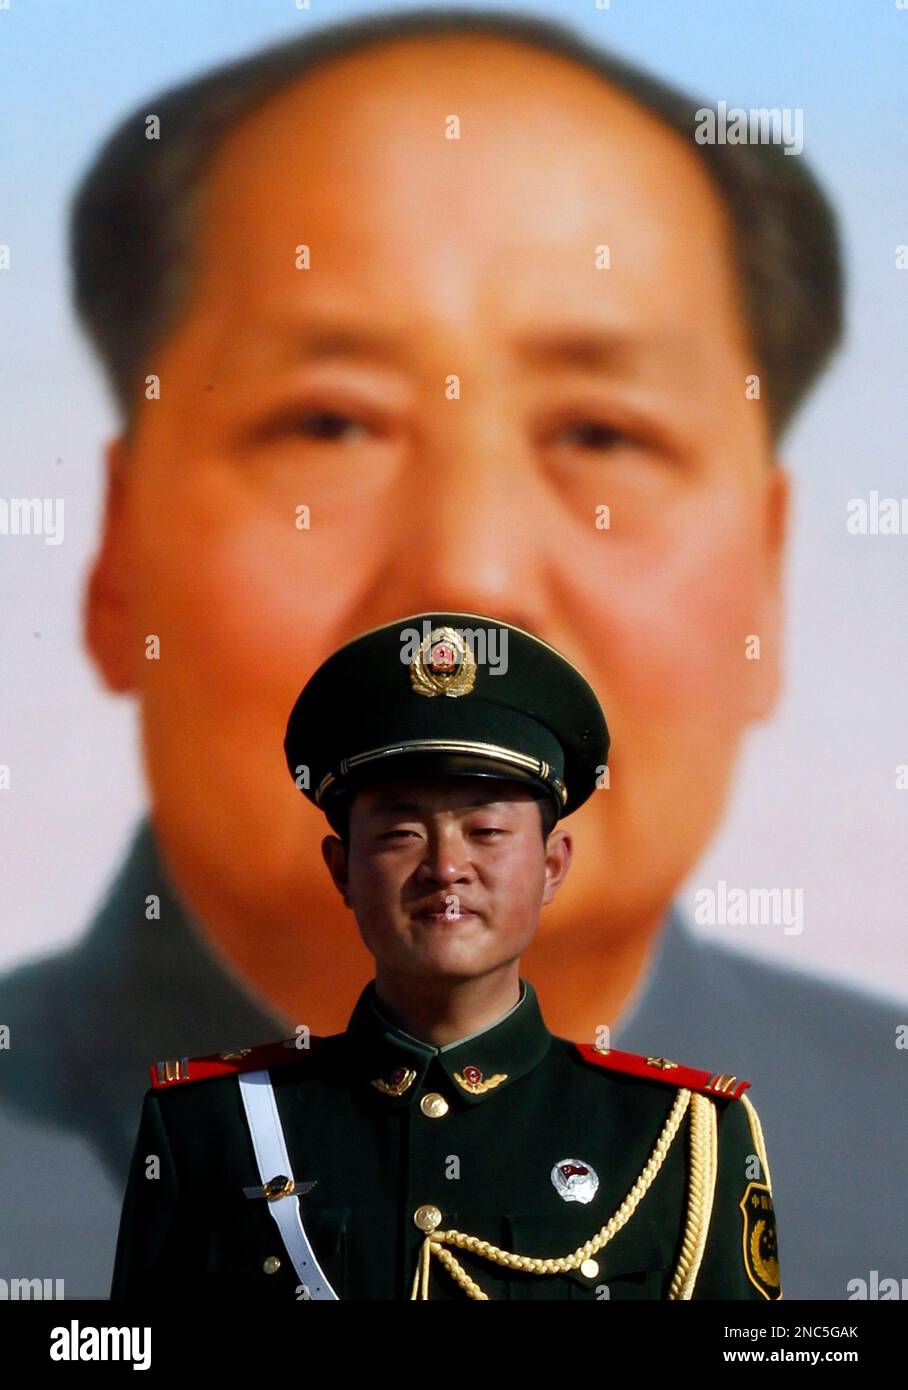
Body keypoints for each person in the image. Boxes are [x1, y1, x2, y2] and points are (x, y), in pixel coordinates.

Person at [1, 11, 902, 1300]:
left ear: (766, 570)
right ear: (114, 549)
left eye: (600, 433)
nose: (468, 573)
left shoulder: (850, 1152)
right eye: (329, 422)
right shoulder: (177, 1140)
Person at [111, 613, 781, 1301]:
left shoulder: (678, 1137)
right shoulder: (214, 1127)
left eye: (486, 830)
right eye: (401, 833)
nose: (446, 867)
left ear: (552, 865)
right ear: (341, 868)